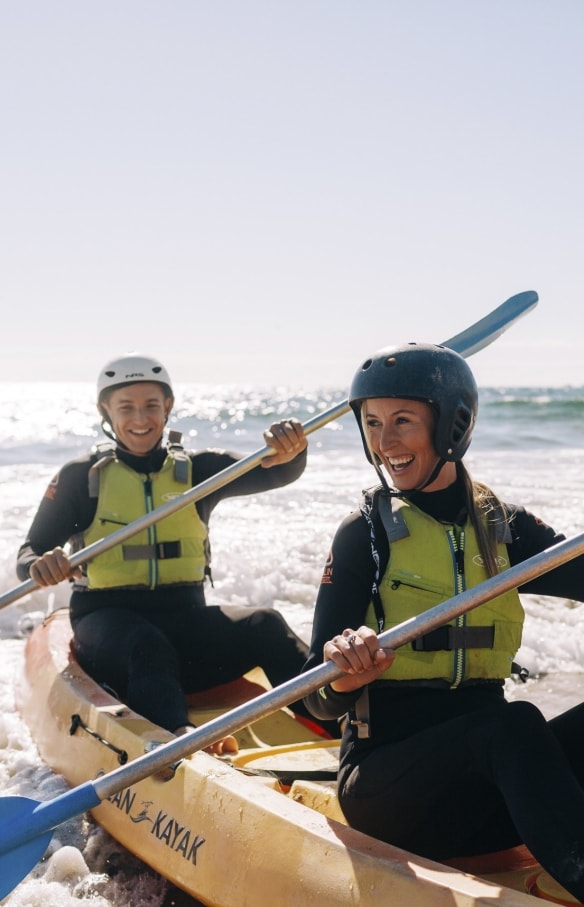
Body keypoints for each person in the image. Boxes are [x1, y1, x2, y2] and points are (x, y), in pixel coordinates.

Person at [303, 341, 584, 902]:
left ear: (454, 423)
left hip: (485, 799)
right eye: (373, 423)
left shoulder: (508, 528)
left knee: (513, 730)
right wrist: (343, 675)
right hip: (387, 792)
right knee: (513, 725)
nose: (385, 443)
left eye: (402, 421)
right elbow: (311, 696)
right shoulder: (365, 535)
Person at [17, 352, 339, 754]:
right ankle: (182, 741)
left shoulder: (201, 471)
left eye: (152, 405)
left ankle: (339, 721)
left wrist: (293, 450)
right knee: (145, 643)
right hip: (108, 625)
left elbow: (278, 471)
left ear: (167, 407)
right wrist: (40, 565)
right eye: (126, 407)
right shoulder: (80, 478)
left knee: (265, 623)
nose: (141, 418)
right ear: (106, 411)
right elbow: (29, 553)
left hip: (185, 623)